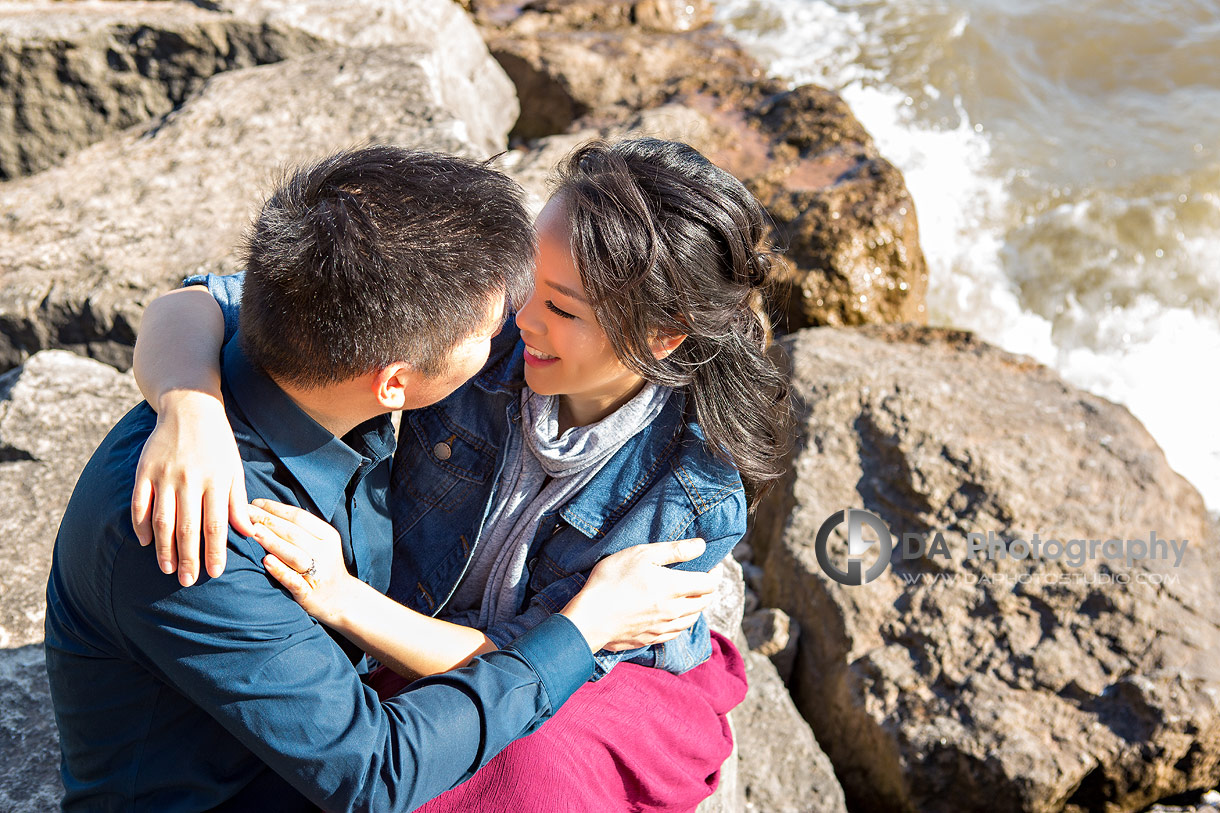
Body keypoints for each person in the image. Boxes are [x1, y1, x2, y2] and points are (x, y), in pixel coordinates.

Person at [43, 145, 717, 812]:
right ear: (395, 382)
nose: (515, 324)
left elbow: (199, 298)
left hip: (317, 720)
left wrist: (188, 400)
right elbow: (374, 772)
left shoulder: (306, 344)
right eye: (489, 327)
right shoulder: (199, 531)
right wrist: (583, 625)